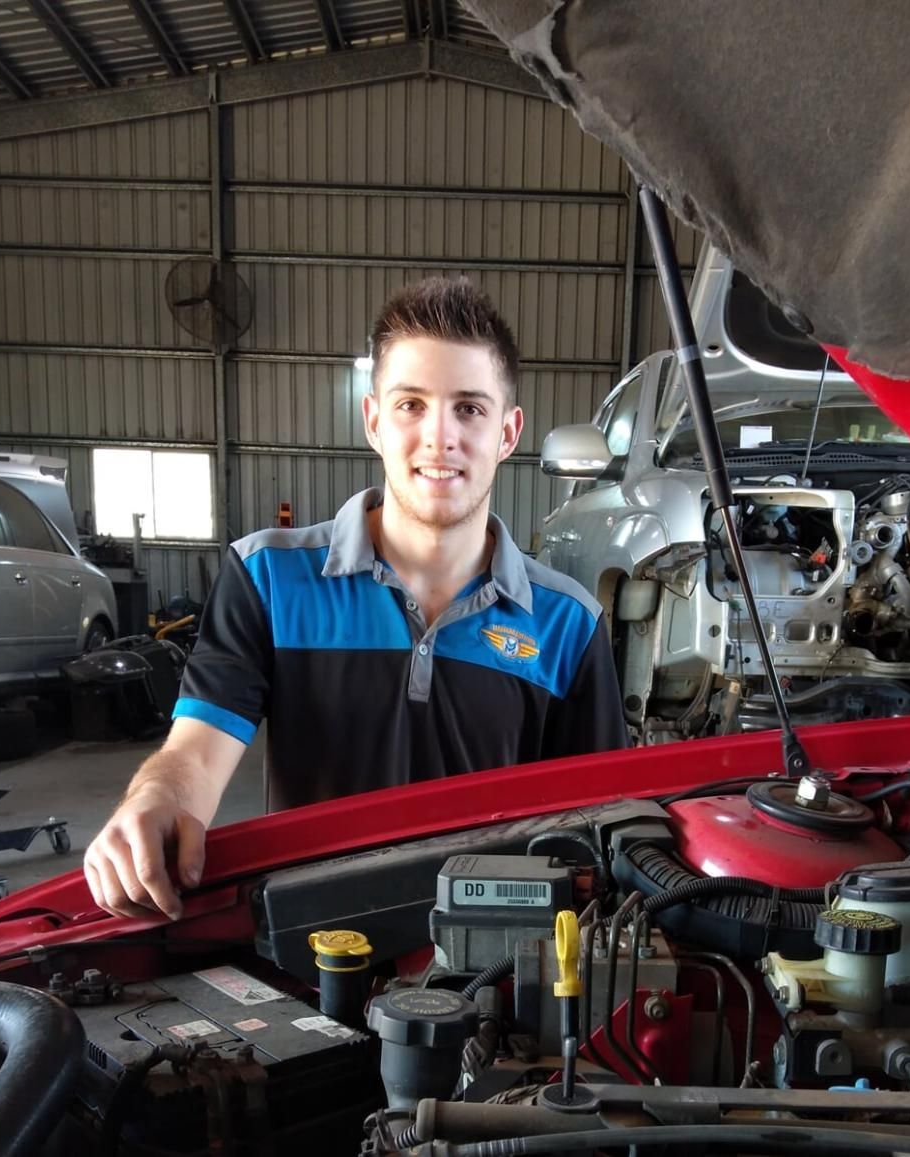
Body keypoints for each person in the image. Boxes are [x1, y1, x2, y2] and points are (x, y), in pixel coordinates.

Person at [84, 278, 628, 919]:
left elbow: (594, 830)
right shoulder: (269, 579)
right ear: (373, 420)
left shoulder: (568, 625)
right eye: (411, 405)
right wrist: (152, 800)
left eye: (470, 409)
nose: (439, 437)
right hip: (308, 961)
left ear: (508, 434)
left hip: (495, 974)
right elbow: (194, 755)